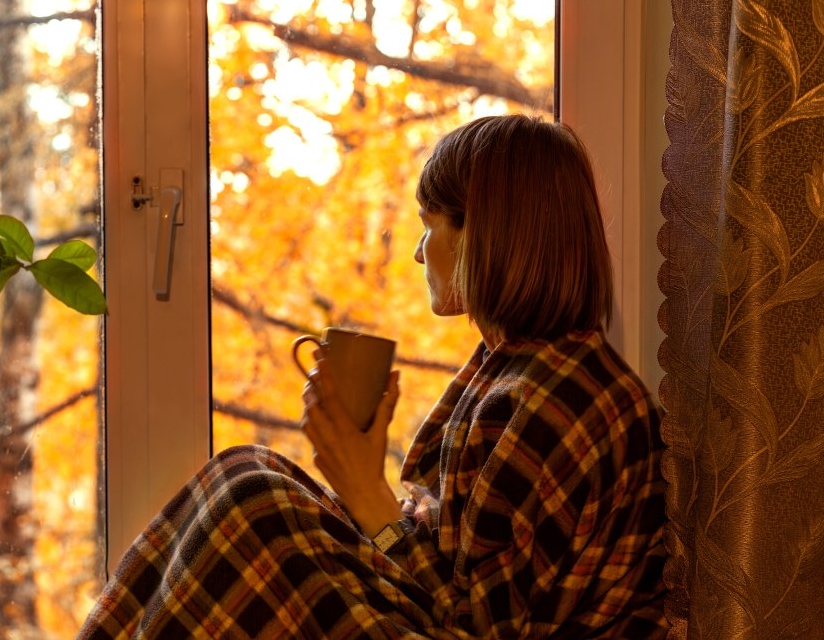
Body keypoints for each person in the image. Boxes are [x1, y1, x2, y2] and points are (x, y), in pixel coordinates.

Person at [78, 115, 667, 639]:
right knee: (248, 469)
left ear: (480, 235)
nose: (417, 253)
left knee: (253, 504)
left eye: (429, 224)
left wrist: (365, 489)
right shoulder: (529, 370)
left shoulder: (557, 401)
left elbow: (475, 624)